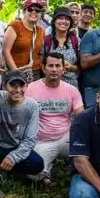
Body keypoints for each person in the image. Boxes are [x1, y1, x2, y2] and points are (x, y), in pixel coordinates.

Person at [0, 70, 45, 198]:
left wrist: (13, 157)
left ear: (26, 87)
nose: (17, 90)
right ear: (5, 86)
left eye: (21, 86)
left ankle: (4, 170)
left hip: (14, 147)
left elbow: (30, 140)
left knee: (38, 164)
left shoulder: (31, 106)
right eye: (13, 86)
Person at [26, 52, 85, 184]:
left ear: (63, 69)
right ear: (43, 68)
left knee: (88, 152)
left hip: (66, 137)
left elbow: (81, 116)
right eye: (50, 65)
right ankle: (48, 167)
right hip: (42, 141)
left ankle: (75, 168)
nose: (54, 69)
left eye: (58, 66)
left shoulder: (71, 90)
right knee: (35, 176)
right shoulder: (31, 89)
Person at [3, 0, 46, 81]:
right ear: (24, 12)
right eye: (30, 9)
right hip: (17, 70)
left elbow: (40, 53)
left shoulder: (41, 30)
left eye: (37, 10)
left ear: (40, 14)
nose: (34, 12)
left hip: (36, 72)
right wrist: (15, 72)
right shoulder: (15, 26)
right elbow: (6, 51)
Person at [43, 6, 80, 87]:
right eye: (60, 18)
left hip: (71, 86)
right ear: (54, 21)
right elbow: (40, 64)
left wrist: (71, 67)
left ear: (70, 22)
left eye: (67, 19)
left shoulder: (76, 41)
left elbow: (81, 66)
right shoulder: (46, 41)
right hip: (50, 85)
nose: (64, 21)